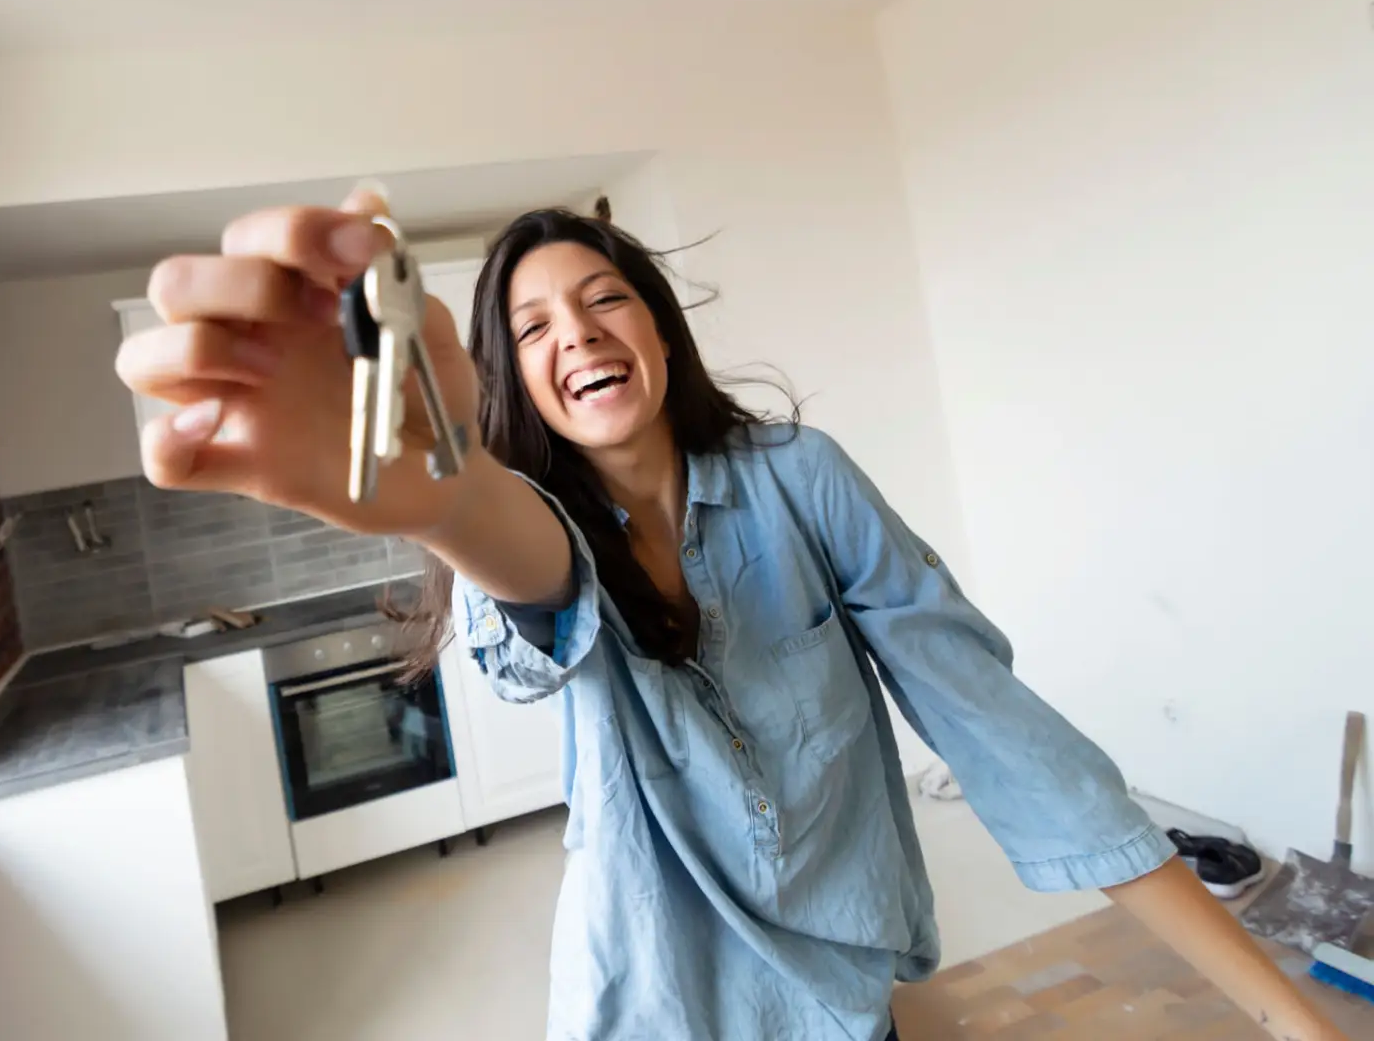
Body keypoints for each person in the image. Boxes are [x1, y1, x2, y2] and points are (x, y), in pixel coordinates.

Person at [116, 187, 1345, 1041]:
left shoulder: (802, 478)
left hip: (846, 1002)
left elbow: (1015, 742)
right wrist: (445, 503)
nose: (577, 334)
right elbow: (533, 567)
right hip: (653, 1008)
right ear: (512, 378)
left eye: (604, 299)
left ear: (657, 325)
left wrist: (1289, 1015)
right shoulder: (525, 522)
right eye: (532, 327)